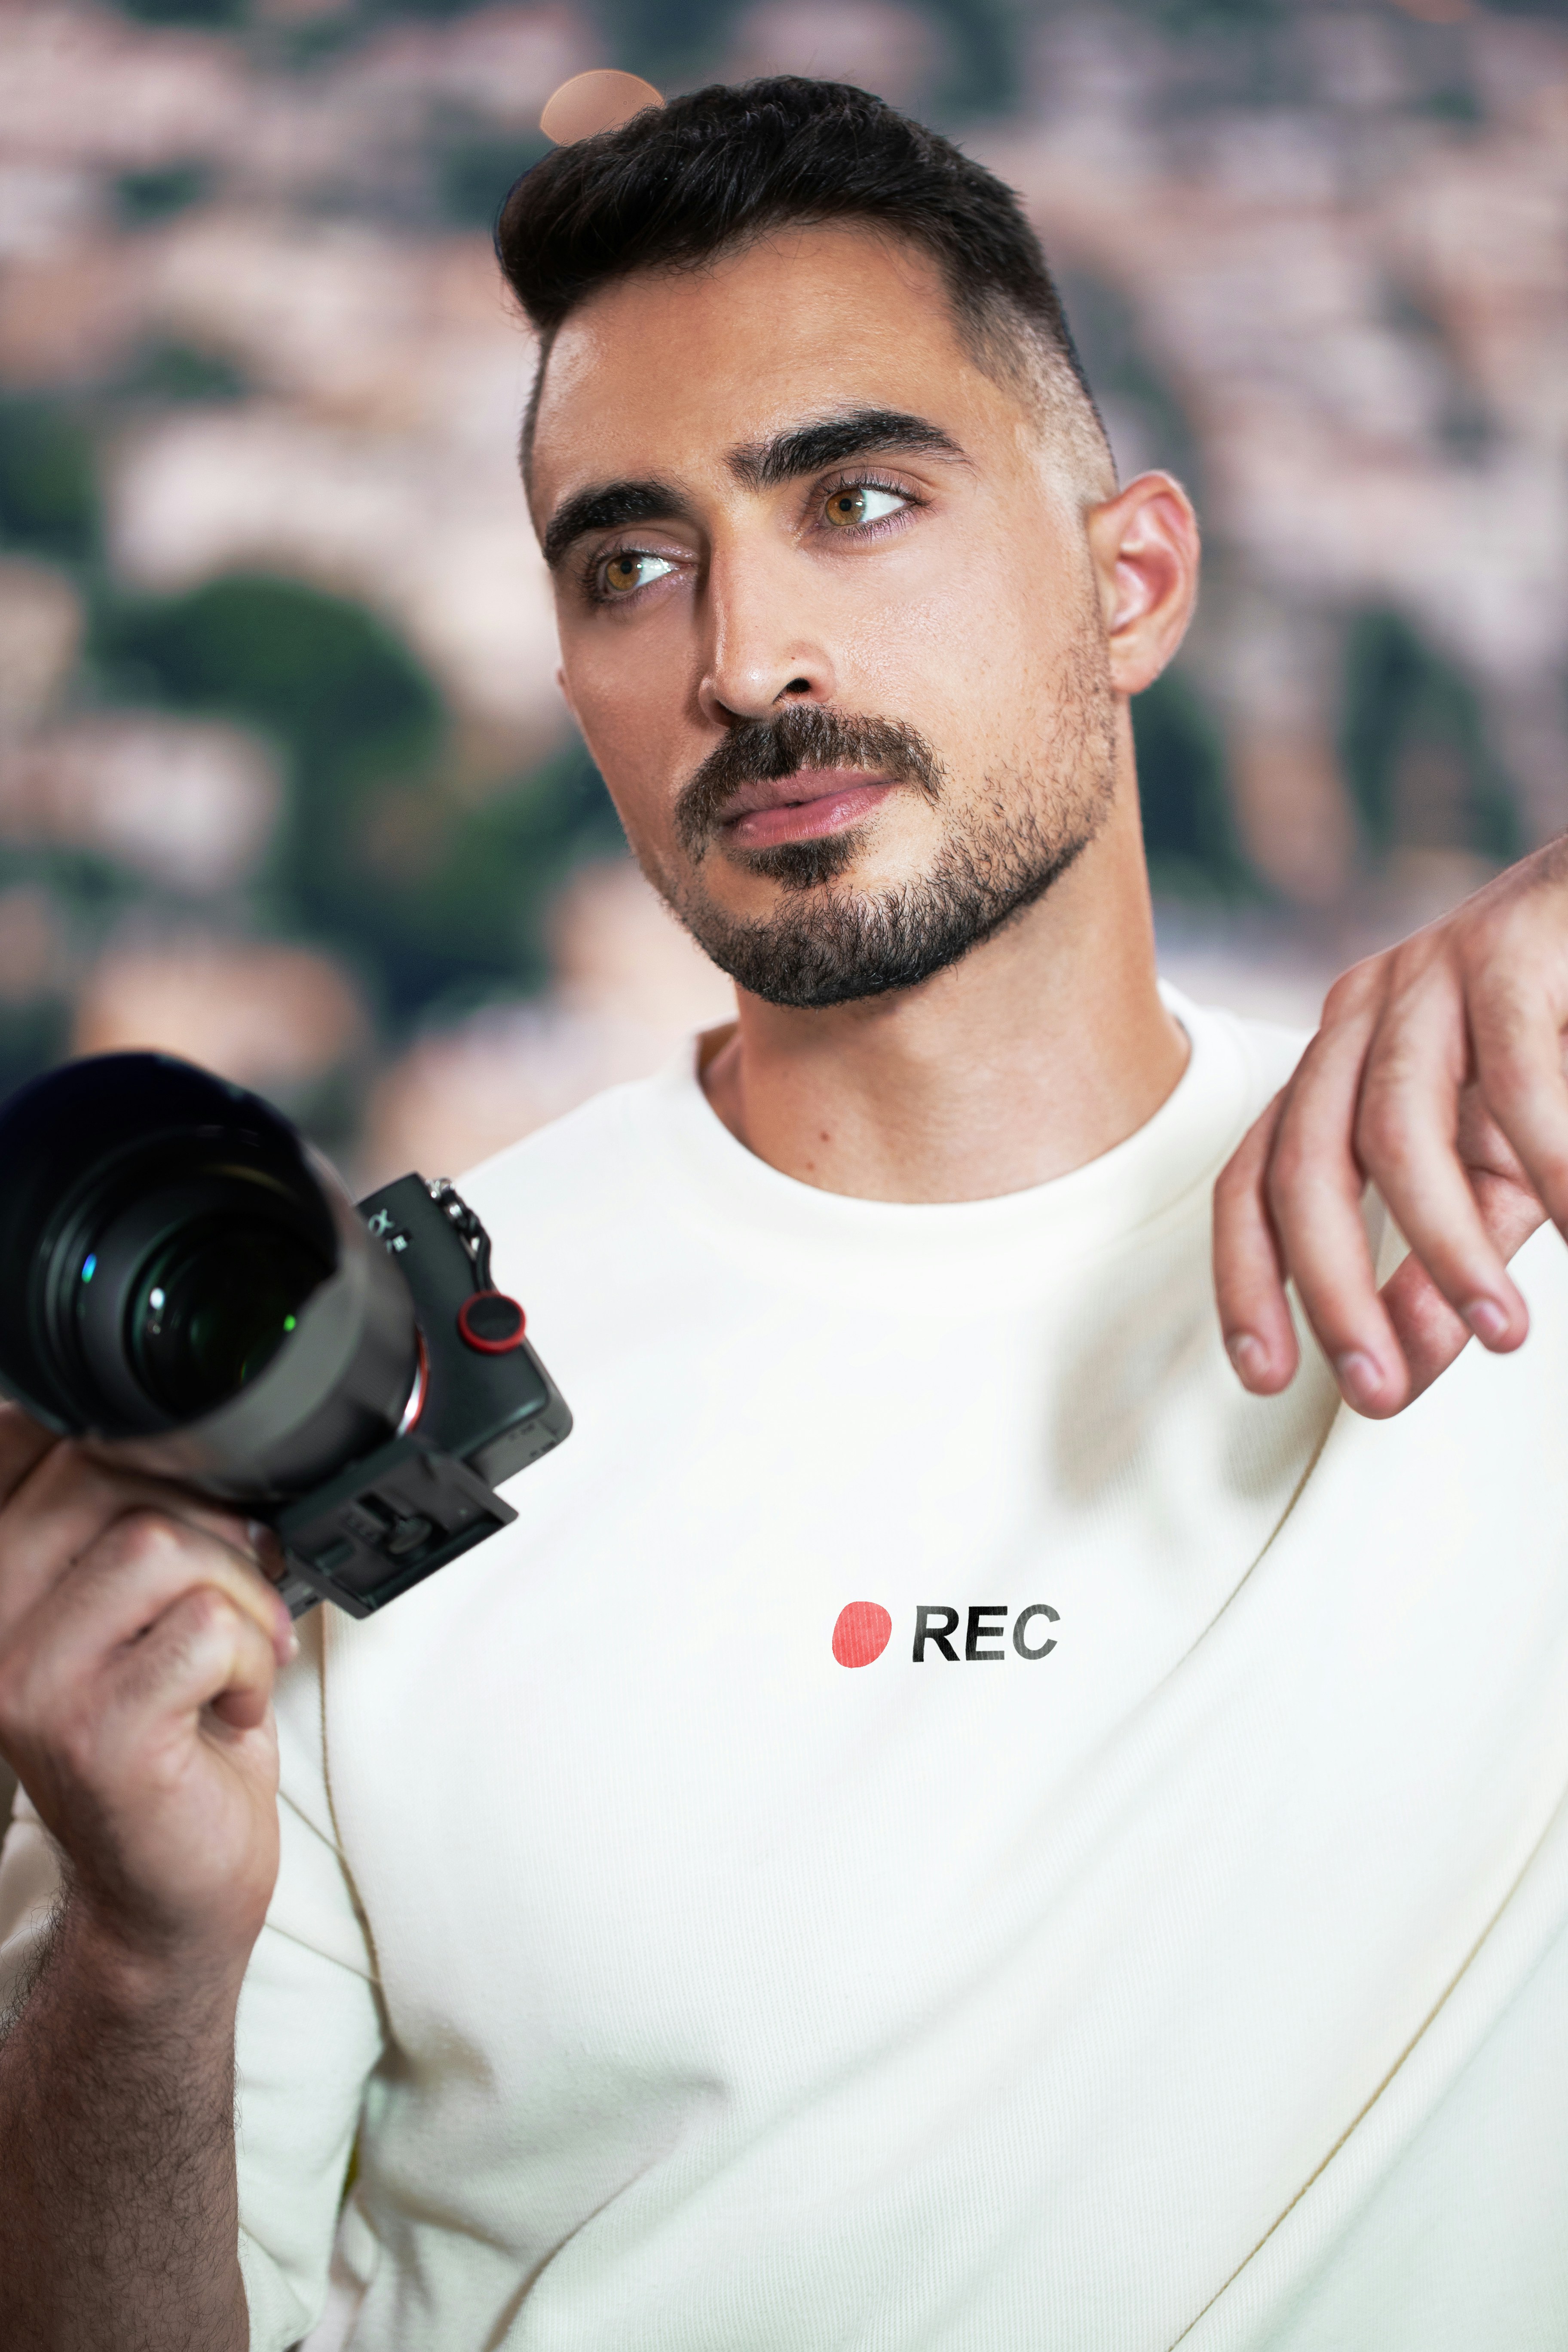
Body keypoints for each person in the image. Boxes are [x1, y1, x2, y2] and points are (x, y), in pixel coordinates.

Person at [3, 77, 1568, 2352]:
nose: (744, 656)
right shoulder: (332, 1419)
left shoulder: (1502, 1198)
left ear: (1131, 581)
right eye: (633, 565)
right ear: (574, 682)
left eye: (858, 499)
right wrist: (138, 1966)